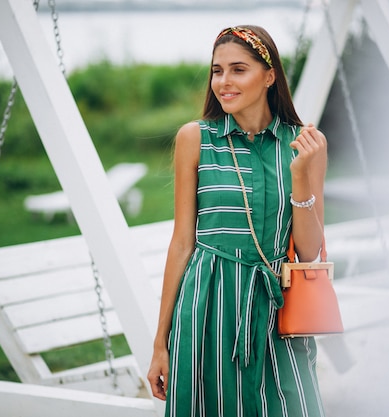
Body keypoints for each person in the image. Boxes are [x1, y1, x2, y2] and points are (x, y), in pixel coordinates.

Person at [147, 25, 328, 417]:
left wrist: (300, 176)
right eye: (217, 71)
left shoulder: (306, 142)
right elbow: (182, 244)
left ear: (269, 76)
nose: (223, 82)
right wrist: (160, 343)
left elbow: (310, 250)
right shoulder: (194, 138)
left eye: (237, 70)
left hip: (276, 307)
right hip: (206, 308)